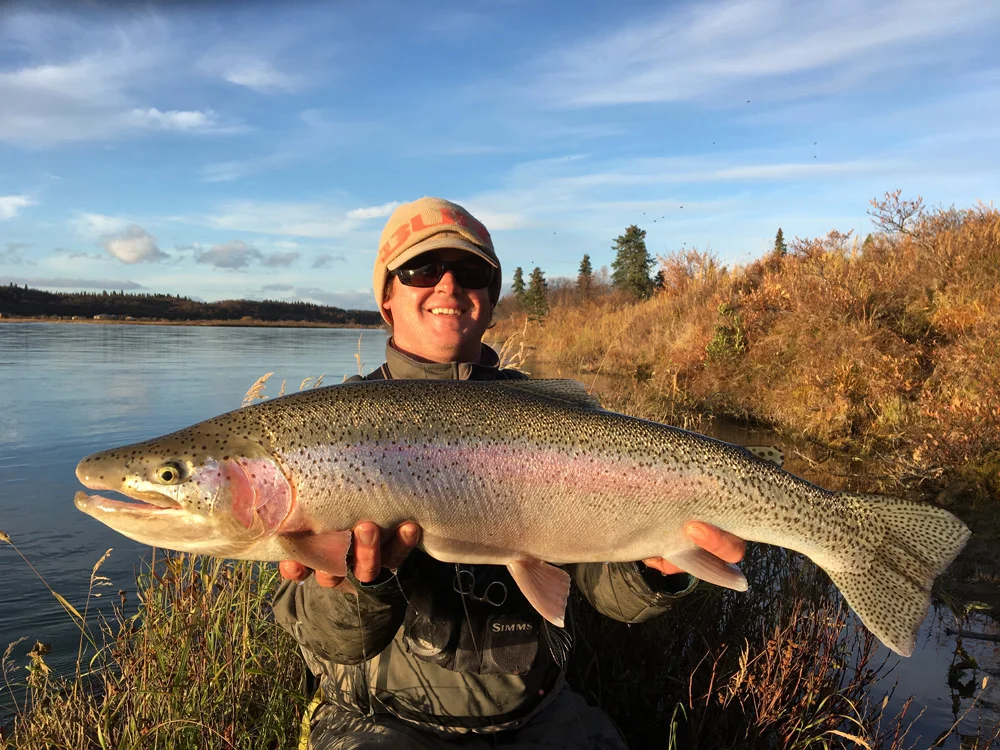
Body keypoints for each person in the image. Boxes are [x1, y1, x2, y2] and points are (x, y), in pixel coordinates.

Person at [272, 197, 746, 749]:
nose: (448, 286)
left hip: (542, 719)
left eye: (470, 273)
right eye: (422, 269)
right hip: (382, 725)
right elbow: (335, 642)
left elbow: (606, 591)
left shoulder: (554, 423)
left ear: (490, 302)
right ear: (386, 298)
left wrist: (659, 569)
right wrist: (360, 583)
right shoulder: (325, 433)